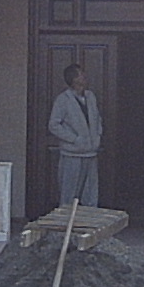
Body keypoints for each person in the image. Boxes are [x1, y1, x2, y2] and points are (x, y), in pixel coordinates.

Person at [47, 63, 102, 207]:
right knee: (69, 193)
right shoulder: (63, 100)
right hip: (72, 154)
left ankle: (88, 220)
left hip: (91, 153)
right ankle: (67, 220)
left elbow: (97, 119)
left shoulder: (91, 97)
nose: (84, 76)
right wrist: (74, 139)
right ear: (73, 79)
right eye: (81, 74)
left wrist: (97, 136)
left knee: (90, 194)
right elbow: (53, 125)